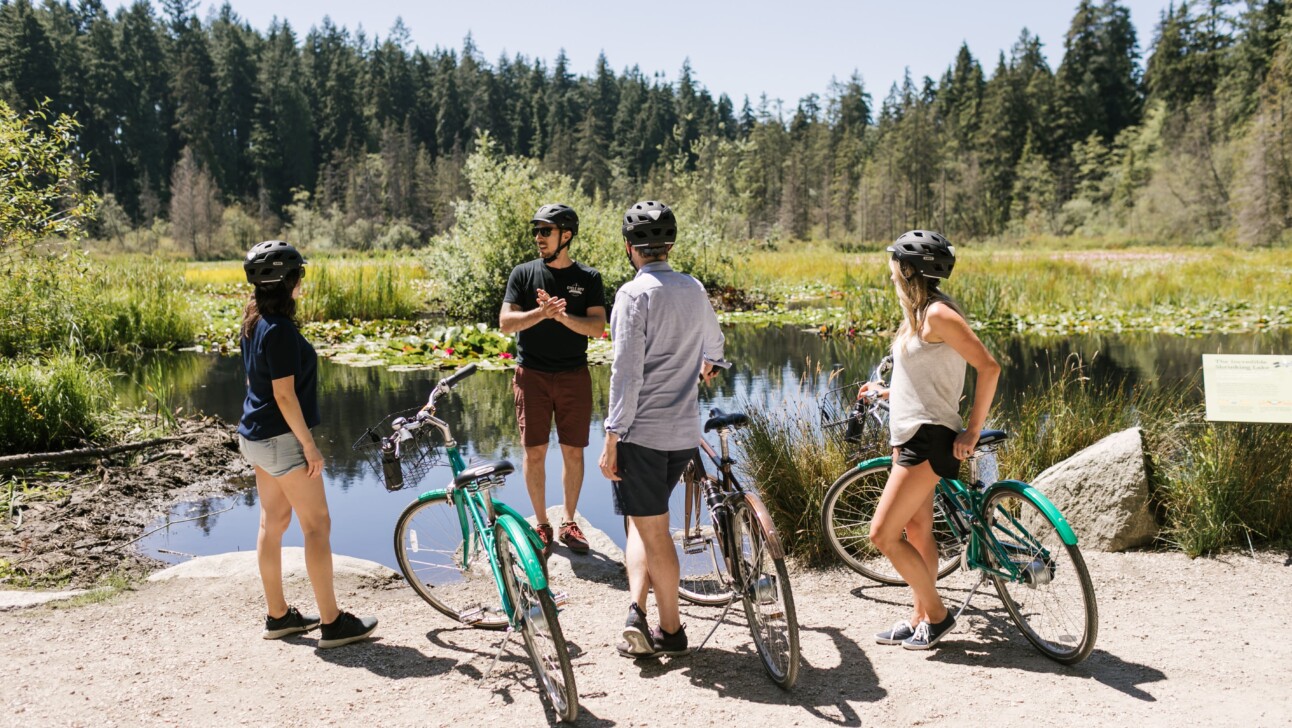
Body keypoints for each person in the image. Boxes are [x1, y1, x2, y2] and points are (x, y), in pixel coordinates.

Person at [599, 200, 729, 659]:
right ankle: (635, 610)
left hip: (643, 436)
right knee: (642, 520)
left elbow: (626, 373)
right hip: (683, 436)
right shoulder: (693, 287)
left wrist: (612, 436)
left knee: (656, 533)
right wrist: (708, 364)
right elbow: (715, 345)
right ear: (669, 245)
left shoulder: (633, 295)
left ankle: (670, 631)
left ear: (630, 248)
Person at [861, 230, 1000, 650]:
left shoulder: (939, 314)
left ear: (908, 270)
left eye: (893, 266)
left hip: (928, 438)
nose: (890, 275)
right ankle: (919, 616)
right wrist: (887, 393)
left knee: (882, 535)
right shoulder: (918, 315)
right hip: (909, 434)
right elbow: (925, 373)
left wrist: (972, 430)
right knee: (919, 530)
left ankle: (938, 615)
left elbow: (989, 367)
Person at [237, 240, 378, 649]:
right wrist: (310, 447)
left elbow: (253, 384)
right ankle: (333, 623)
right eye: (300, 274)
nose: (303, 280)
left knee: (272, 523)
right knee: (317, 526)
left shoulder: (254, 319)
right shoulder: (279, 330)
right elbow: (284, 395)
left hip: (255, 437)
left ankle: (278, 616)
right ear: (288, 281)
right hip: (282, 441)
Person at [500, 204, 607, 556]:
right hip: (531, 375)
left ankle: (569, 522)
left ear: (566, 235)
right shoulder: (523, 273)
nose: (538, 237)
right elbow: (506, 323)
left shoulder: (588, 279)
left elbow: (596, 327)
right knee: (534, 451)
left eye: (545, 231)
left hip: (574, 375)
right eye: (537, 231)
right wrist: (541, 313)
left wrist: (562, 318)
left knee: (573, 450)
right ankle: (543, 524)